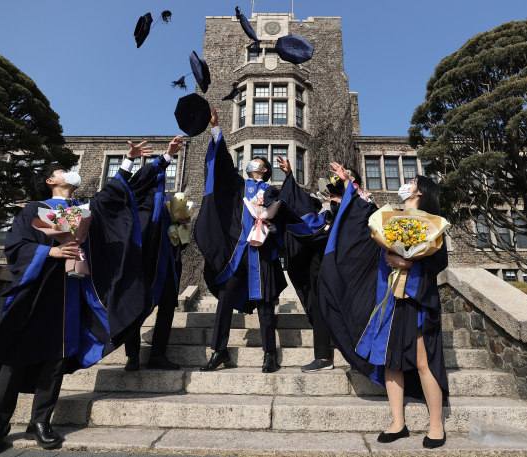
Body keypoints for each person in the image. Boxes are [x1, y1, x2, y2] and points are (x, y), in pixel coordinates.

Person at [0, 142, 153, 456]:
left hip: (71, 297)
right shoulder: (35, 210)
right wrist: (51, 251)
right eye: (64, 171)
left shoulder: (84, 209)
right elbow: (15, 248)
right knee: (13, 362)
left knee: (55, 361)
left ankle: (40, 422)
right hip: (36, 294)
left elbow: (111, 195)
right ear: (51, 180)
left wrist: (128, 160)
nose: (71, 173)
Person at [317, 164, 449, 449]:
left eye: (412, 181)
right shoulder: (391, 217)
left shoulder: (433, 223)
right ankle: (398, 422)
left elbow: (438, 263)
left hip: (416, 300)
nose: (406, 184)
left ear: (422, 192)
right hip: (389, 298)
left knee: (423, 362)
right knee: (390, 362)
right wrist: (348, 182)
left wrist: (408, 262)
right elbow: (360, 213)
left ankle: (436, 425)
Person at [194, 107, 287, 373]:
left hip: (262, 254)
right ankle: (219, 351)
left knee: (266, 305)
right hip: (237, 254)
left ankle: (269, 353)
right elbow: (222, 164)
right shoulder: (238, 186)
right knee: (224, 303)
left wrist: (273, 226)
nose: (251, 164)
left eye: (256, 162)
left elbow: (285, 218)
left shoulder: (273, 191)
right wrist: (215, 129)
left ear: (265, 169)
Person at [275, 158, 366, 372]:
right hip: (320, 258)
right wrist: (289, 176)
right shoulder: (322, 202)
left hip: (346, 261)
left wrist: (343, 200)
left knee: (351, 304)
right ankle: (323, 357)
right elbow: (298, 205)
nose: (341, 175)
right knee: (319, 303)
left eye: (347, 175)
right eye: (340, 174)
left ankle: (360, 353)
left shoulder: (361, 203)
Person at [120, 136, 187, 372]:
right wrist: (167, 156)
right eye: (156, 177)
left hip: (166, 262)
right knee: (136, 305)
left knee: (168, 306)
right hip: (142, 259)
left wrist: (182, 225)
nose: (161, 180)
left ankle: (158, 354)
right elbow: (145, 175)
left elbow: (179, 240)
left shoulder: (167, 203)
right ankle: (133, 356)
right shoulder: (136, 199)